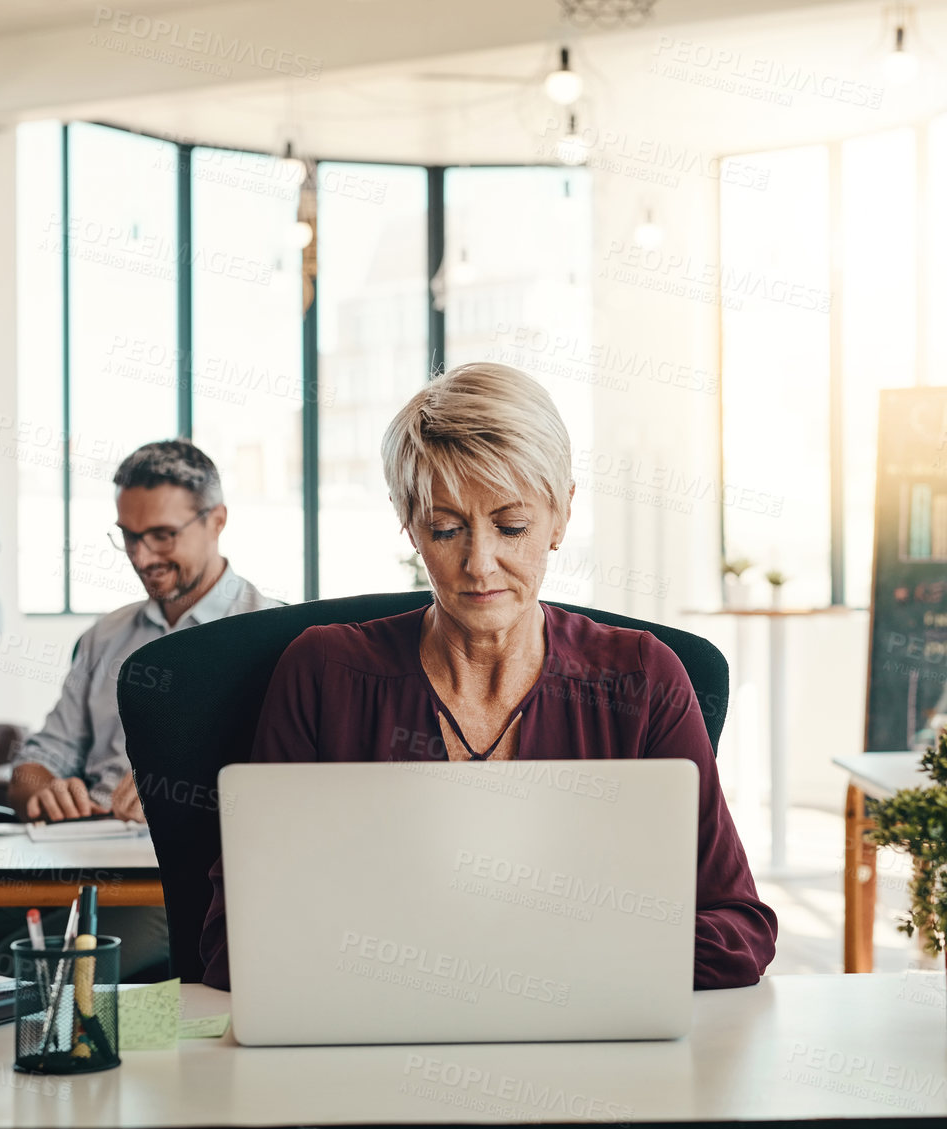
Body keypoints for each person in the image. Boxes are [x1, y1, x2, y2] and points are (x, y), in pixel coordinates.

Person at [196, 362, 777, 991]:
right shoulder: (324, 675)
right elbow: (236, 940)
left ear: (561, 516)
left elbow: (740, 930)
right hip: (376, 1050)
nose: (479, 564)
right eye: (445, 529)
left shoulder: (640, 679)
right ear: (407, 522)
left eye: (512, 526)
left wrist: (541, 956)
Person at [0, 440, 277, 979]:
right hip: (73, 866)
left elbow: (288, 792)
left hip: (176, 883)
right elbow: (36, 762)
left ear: (217, 520)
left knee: (30, 970)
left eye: (162, 535)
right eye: (129, 536)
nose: (141, 557)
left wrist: (185, 794)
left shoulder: (273, 634)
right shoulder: (106, 636)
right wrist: (42, 787)